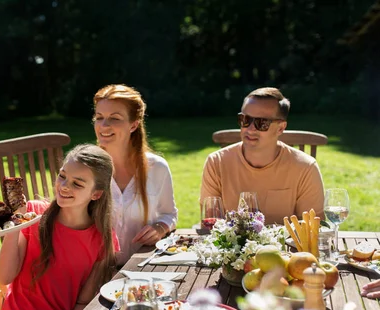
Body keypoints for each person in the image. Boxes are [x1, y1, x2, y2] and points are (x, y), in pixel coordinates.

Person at [0, 144, 120, 310]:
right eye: (63, 176)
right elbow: (4, 277)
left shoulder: (102, 237)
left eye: (77, 183)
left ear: (96, 194)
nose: (64, 186)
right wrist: (14, 224)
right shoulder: (32, 215)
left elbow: (82, 302)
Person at [200, 87, 324, 225]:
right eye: (245, 119)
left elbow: (314, 228)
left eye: (262, 123)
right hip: (231, 246)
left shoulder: (305, 167)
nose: (250, 128)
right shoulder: (216, 162)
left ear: (281, 128)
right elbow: (210, 226)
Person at [93, 84, 177, 266]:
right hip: (94, 271)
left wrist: (160, 228)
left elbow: (169, 214)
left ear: (134, 125)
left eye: (114, 118)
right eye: (99, 117)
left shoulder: (157, 168)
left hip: (142, 269)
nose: (104, 125)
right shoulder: (88, 168)